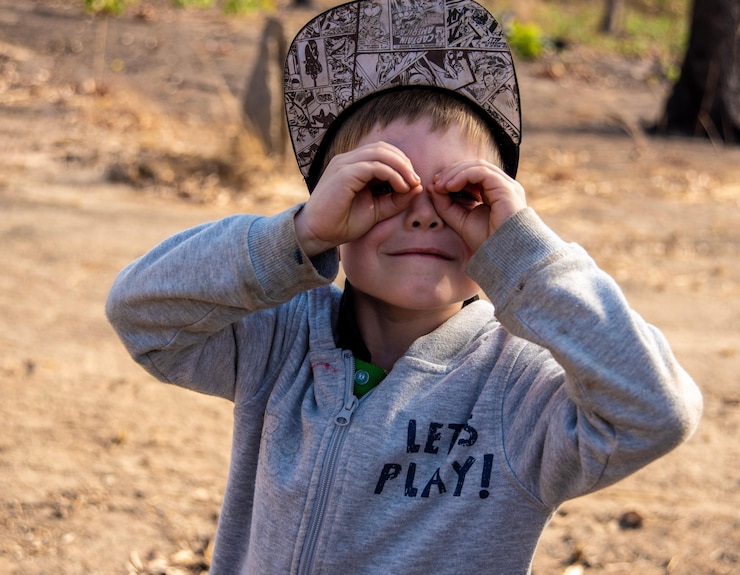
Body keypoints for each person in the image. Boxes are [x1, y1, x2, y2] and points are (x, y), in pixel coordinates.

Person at [106, 1, 702, 573]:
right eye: (382, 188)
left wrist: (525, 257)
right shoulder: (281, 343)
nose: (425, 215)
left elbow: (657, 412)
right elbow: (140, 314)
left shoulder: (518, 395)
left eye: (462, 194)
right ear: (333, 204)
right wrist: (298, 234)